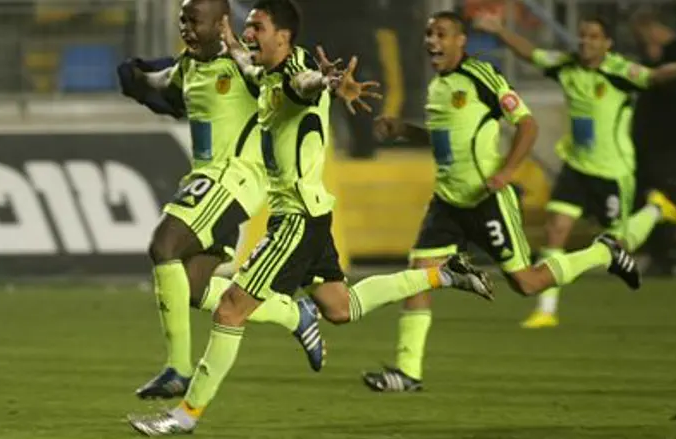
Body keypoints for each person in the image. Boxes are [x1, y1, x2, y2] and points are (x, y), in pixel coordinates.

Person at [126, 0, 494, 435]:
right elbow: (247, 62)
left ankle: (183, 417)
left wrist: (328, 80)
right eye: (246, 28)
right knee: (341, 307)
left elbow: (304, 84)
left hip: (295, 219)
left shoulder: (293, 73)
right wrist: (230, 41)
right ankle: (446, 275)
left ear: (283, 35)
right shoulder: (262, 68)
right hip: (314, 214)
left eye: (257, 27)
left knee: (229, 311)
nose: (249, 35)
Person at [362, 11, 642, 393]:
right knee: (418, 275)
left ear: (461, 41)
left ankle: (603, 253)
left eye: (441, 34)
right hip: (447, 202)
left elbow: (527, 124)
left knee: (526, 283)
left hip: (486, 199)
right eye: (429, 34)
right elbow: (447, 142)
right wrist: (403, 130)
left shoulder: (482, 76)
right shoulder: (439, 86)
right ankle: (408, 372)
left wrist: (508, 171)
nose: (432, 41)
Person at [125, 0, 330, 401]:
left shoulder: (244, 67)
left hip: (237, 177)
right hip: (206, 181)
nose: (185, 26)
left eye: (194, 20)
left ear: (221, 23)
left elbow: (290, 80)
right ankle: (294, 313)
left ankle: (178, 370)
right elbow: (159, 82)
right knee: (193, 290)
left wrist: (321, 82)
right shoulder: (188, 66)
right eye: (182, 19)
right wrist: (134, 75)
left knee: (163, 244)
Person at [475, 13, 676, 328]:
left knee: (617, 246)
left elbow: (656, 76)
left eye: (594, 36)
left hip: (613, 172)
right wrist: (500, 30)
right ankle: (546, 310)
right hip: (577, 166)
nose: (586, 41)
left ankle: (654, 209)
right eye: (582, 35)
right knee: (556, 229)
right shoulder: (566, 65)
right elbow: (530, 52)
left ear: (608, 44)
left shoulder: (619, 71)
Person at [630, 7, 676, 275]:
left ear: (651, 28)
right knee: (649, 198)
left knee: (667, 196)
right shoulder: (651, 57)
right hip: (648, 142)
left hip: (668, 141)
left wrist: (656, 64)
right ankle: (656, 250)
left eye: (640, 34)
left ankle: (669, 252)